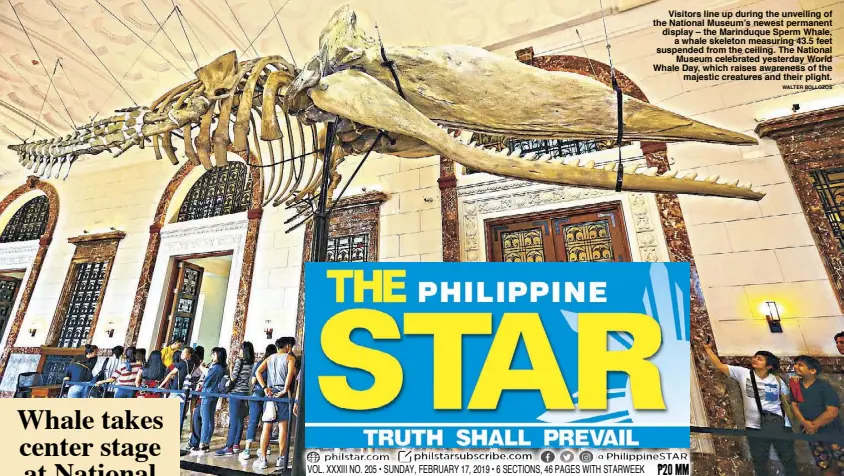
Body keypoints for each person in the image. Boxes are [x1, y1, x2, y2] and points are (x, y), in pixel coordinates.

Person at [703, 340, 798, 476]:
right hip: (755, 427)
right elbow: (719, 365)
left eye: (759, 359)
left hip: (781, 425)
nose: (755, 360)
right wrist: (708, 349)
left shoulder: (776, 380)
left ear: (769, 365)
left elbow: (789, 398)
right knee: (760, 463)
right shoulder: (744, 373)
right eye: (755, 357)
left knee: (789, 461)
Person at [790, 355, 844, 476]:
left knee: (840, 462)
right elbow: (795, 406)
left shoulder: (824, 387)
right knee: (823, 464)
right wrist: (805, 423)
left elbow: (832, 411)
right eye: (795, 364)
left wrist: (814, 425)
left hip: (833, 432)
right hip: (812, 434)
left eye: (800, 365)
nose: (796, 367)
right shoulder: (795, 385)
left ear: (812, 371)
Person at [253, 337, 297, 470]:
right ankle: (281, 458)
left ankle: (263, 459)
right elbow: (290, 373)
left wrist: (265, 387)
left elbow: (258, 372)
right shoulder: (290, 358)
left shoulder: (270, 358)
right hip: (282, 395)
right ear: (288, 346)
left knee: (267, 426)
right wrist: (285, 389)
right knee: (283, 427)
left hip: (270, 393)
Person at [240, 344, 277, 461]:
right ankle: (266, 447)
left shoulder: (260, 363)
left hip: (257, 394)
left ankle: (247, 449)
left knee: (253, 421)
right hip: (269, 395)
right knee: (267, 421)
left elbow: (253, 380)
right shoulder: (274, 364)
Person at [218, 342, 255, 456]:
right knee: (239, 420)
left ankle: (228, 447)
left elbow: (233, 377)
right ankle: (236, 445)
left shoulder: (240, 361)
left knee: (233, 421)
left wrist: (230, 371)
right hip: (245, 393)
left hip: (235, 393)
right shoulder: (251, 363)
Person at [189, 347, 227, 454]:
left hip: (207, 393)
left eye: (213, 354)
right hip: (214, 394)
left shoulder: (215, 367)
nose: (212, 356)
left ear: (218, 356)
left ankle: (202, 444)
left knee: (205, 420)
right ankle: (206, 443)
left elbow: (208, 380)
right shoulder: (222, 367)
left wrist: (203, 372)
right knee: (210, 420)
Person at [160, 346, 195, 429]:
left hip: (176, 389)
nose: (182, 354)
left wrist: (161, 385)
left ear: (189, 355)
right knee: (179, 412)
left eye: (184, 352)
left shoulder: (181, 363)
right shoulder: (192, 364)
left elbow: (169, 374)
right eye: (182, 352)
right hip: (184, 390)